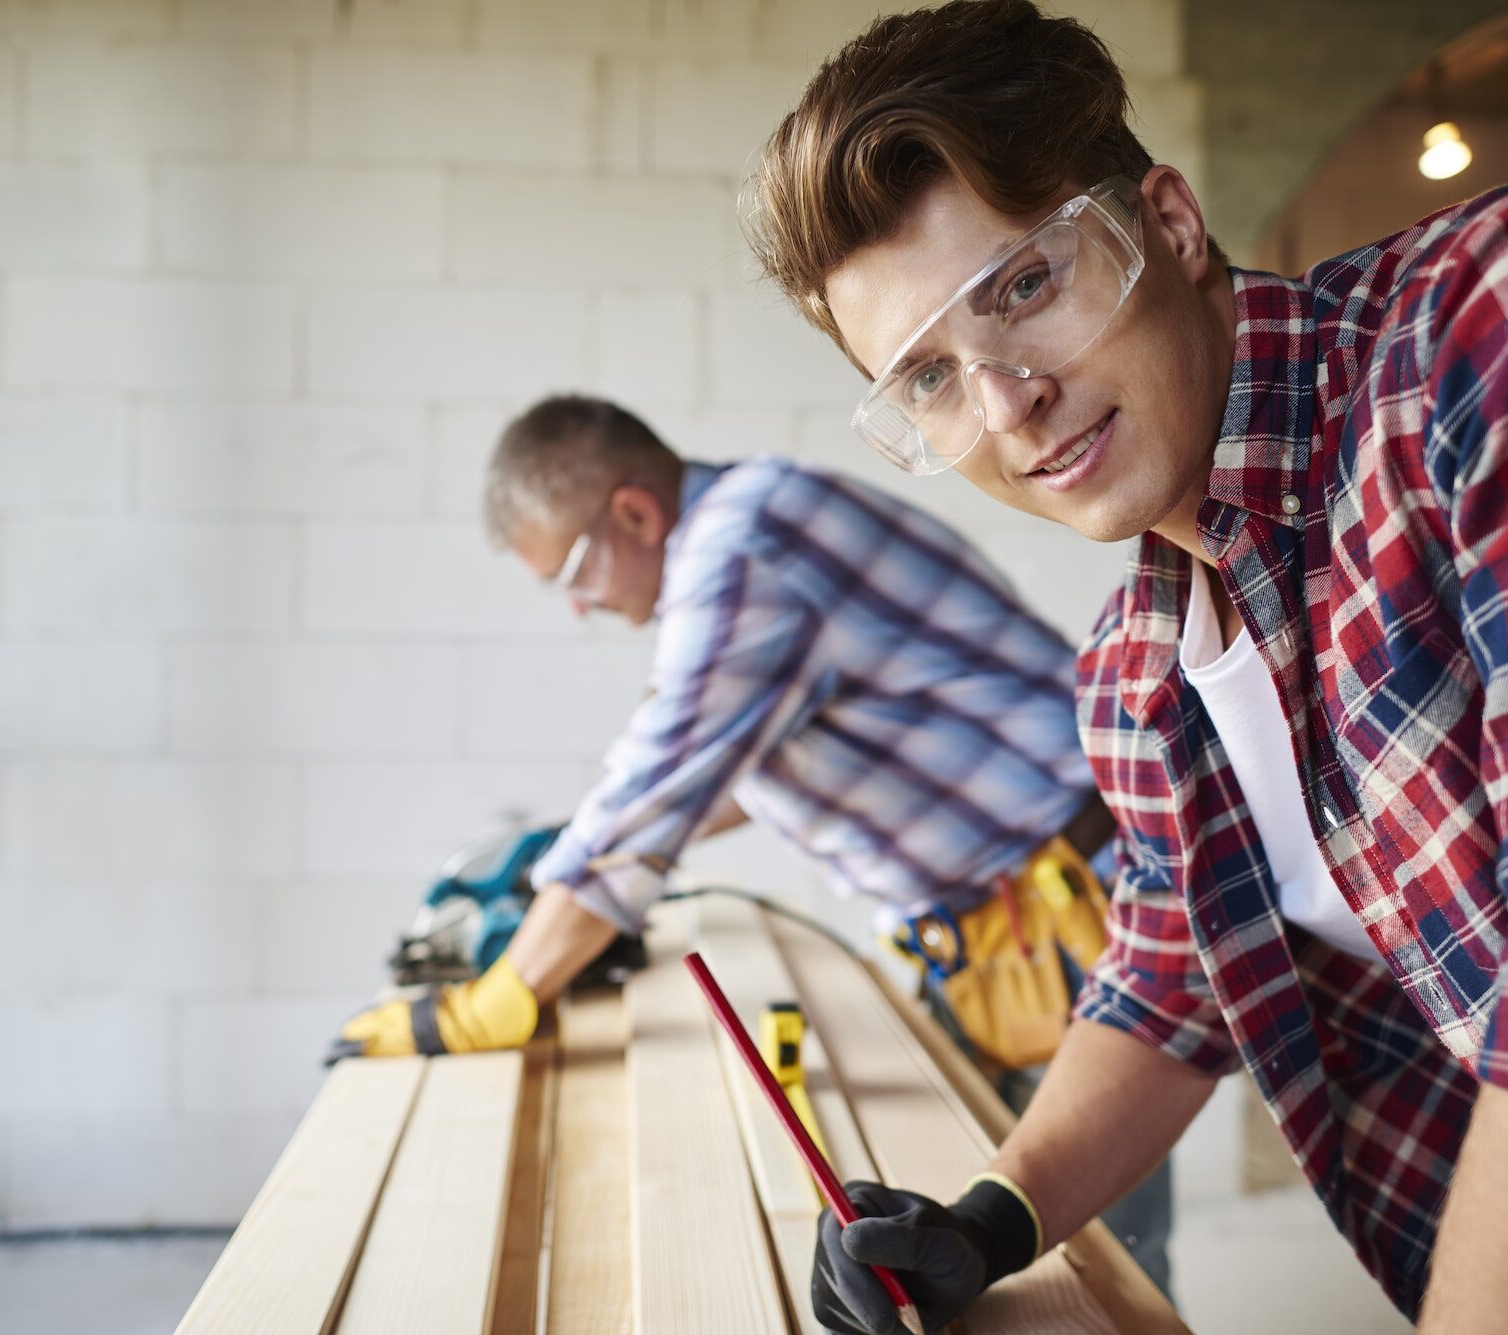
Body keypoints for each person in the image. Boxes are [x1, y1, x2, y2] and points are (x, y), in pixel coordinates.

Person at [742, 1, 1508, 1331]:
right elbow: (1174, 968)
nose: (1003, 404)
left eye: (1024, 285)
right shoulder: (1140, 674)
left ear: (1167, 219)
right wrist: (992, 1215)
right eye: (926, 377)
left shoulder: (1459, 350)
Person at [332, 392, 1173, 1292]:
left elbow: (651, 798)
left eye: (573, 576)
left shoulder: (745, 547)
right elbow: (715, 783)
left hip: (1076, 914)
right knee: (969, 1249)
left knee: (1098, 1266)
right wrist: (575, 849)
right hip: (992, 931)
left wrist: (493, 1000)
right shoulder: (753, 529)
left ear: (632, 512)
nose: (582, 606)